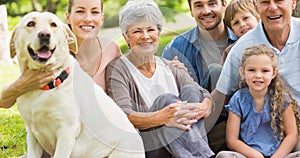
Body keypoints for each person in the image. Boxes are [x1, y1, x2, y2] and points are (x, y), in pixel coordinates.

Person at [1, 0, 121, 157]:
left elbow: (119, 107)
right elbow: (4, 102)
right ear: (68, 17)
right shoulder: (44, 59)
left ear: (102, 18)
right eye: (80, 12)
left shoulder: (112, 50)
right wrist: (22, 85)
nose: (88, 18)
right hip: (50, 148)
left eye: (95, 12)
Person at [106, 0, 214, 157]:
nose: (145, 36)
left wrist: (205, 105)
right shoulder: (118, 69)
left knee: (191, 91)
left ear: (158, 32)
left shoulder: (171, 66)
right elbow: (123, 115)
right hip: (150, 147)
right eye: (137, 31)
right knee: (166, 100)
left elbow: (201, 92)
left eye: (151, 29)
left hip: (181, 146)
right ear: (126, 37)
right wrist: (161, 117)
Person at [211, 0, 300, 152]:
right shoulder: (242, 47)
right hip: (261, 134)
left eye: (279, 0)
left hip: (290, 127)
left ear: (293, 2)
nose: (272, 7)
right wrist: (201, 106)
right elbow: (221, 96)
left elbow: (292, 135)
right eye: (265, 2)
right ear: (255, 4)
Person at [162, 0, 238, 153]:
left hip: (237, 120)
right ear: (191, 11)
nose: (206, 11)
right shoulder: (175, 48)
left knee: (216, 71)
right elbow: (165, 96)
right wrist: (178, 76)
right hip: (199, 124)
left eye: (212, 4)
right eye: (198, 5)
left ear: (224, 4)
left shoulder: (241, 39)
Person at [216, 44, 300, 158]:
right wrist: (256, 156)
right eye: (251, 70)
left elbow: (292, 135)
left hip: (280, 154)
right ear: (243, 72)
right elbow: (232, 140)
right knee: (224, 156)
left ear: (274, 73)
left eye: (265, 71)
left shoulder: (282, 98)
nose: (258, 75)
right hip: (249, 155)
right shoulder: (238, 99)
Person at [221, 0, 260, 64]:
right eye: (236, 23)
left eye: (246, 18)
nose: (242, 24)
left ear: (257, 17)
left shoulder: (271, 40)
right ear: (232, 31)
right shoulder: (231, 52)